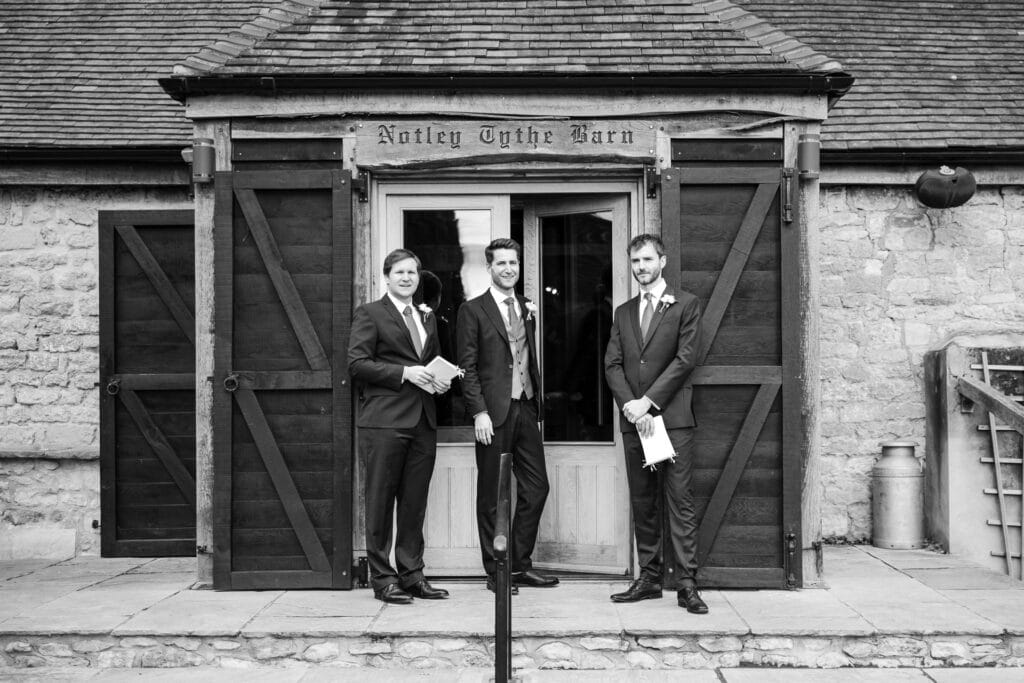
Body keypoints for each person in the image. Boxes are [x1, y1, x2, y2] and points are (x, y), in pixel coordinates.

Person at [604, 233, 708, 614]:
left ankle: (686, 583)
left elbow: (686, 359)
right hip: (634, 421)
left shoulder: (687, 304)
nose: (641, 268)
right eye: (635, 262)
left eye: (647, 260)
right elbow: (612, 363)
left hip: (673, 419)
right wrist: (632, 407)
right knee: (643, 501)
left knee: (680, 502)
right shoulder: (624, 312)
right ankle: (648, 578)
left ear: (662, 261)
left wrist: (649, 402)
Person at [348, 248, 452, 604]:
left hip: (423, 419)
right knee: (379, 502)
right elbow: (357, 364)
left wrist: (439, 381)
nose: (407, 278)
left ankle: (412, 574)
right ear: (386, 276)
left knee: (414, 502)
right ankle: (383, 578)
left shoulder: (427, 318)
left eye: (412, 273)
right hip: (384, 421)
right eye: (400, 272)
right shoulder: (370, 313)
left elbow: (431, 361)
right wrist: (405, 373)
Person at [456, 238, 558, 593]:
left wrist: (537, 406)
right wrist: (479, 412)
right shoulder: (472, 310)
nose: (509, 269)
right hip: (493, 412)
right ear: (489, 268)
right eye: (501, 263)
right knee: (492, 493)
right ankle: (496, 571)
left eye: (513, 263)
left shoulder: (526, 306)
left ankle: (518, 564)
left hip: (526, 406)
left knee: (537, 487)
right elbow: (466, 368)